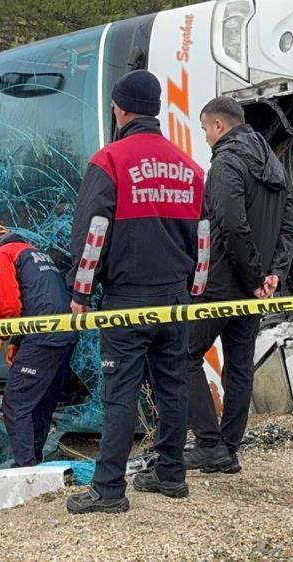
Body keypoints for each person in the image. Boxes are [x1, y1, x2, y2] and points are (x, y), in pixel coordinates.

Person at [64, 70, 208, 514]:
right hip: (177, 299)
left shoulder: (108, 162)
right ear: (156, 109)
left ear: (119, 108)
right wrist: (194, 291)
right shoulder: (189, 166)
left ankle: (109, 489)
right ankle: (170, 472)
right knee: (173, 386)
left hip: (127, 299)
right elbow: (204, 237)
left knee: (120, 393)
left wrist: (80, 293)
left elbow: (93, 234)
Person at [183, 96, 293, 473]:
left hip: (219, 283)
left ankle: (210, 443)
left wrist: (253, 277)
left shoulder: (225, 164)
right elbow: (288, 227)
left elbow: (231, 225)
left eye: (203, 130)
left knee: (182, 357)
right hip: (255, 287)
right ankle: (228, 449)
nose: (204, 139)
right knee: (239, 367)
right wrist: (271, 275)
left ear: (218, 126)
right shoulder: (274, 164)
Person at [0, 220, 77, 467]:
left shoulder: (1, 255)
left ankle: (24, 467)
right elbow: (39, 299)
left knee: (15, 403)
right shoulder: (34, 253)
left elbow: (10, 306)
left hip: (43, 336)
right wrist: (18, 341)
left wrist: (2, 335)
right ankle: (33, 459)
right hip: (64, 334)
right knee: (41, 403)